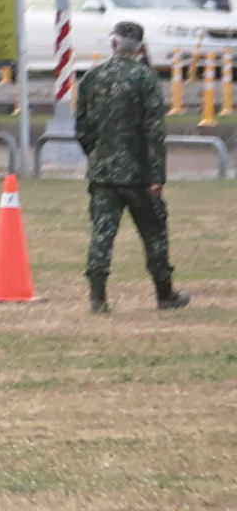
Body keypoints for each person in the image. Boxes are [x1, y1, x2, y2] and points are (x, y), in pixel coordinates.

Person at [76, 20, 188, 312]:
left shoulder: (92, 78)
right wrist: (156, 175)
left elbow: (83, 127)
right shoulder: (145, 79)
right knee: (154, 234)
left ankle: (97, 299)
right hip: (138, 174)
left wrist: (97, 154)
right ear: (140, 47)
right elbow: (154, 131)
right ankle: (165, 295)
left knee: (102, 235)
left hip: (103, 173)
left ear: (113, 43)